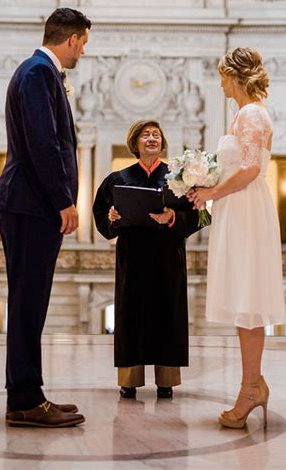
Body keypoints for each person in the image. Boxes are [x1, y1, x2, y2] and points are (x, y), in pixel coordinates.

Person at [0, 7, 91, 428]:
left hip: (30, 205)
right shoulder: (37, 74)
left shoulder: (39, 73)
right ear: (70, 39)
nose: (83, 53)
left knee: (29, 301)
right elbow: (43, 144)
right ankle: (26, 400)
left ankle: (26, 394)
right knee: (28, 302)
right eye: (83, 44)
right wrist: (64, 201)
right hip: (32, 205)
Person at [188, 47, 285, 429]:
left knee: (249, 301)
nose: (220, 83)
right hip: (237, 209)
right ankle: (253, 383)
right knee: (246, 301)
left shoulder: (252, 112)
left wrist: (210, 193)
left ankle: (249, 390)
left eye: (222, 75)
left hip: (246, 211)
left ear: (234, 75)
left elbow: (249, 170)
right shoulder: (241, 115)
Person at [92, 119, 201, 399]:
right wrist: (112, 218)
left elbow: (203, 213)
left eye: (156, 135)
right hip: (133, 257)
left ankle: (166, 380)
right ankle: (129, 380)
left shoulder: (179, 177)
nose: (151, 138)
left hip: (169, 257)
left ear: (162, 143)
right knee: (131, 315)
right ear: (135, 144)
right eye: (145, 135)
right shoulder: (118, 179)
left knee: (169, 314)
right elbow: (102, 215)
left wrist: (173, 216)